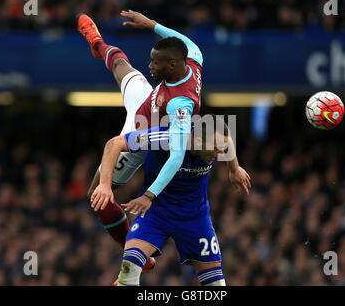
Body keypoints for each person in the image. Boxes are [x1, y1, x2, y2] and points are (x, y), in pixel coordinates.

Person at [77, 11, 250, 271]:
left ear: (171, 66)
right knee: (120, 65)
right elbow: (181, 40)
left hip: (147, 135)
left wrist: (147, 196)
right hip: (146, 102)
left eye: (155, 63)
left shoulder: (180, 105)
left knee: (95, 194)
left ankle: (137, 253)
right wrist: (151, 24)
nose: (150, 66)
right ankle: (97, 42)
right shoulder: (193, 56)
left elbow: (177, 156)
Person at [90, 114, 251, 286]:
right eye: (215, 149)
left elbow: (227, 141)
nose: (220, 154)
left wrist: (234, 168)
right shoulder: (164, 138)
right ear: (198, 142)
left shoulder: (211, 140)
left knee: (216, 285)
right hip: (156, 213)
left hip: (195, 217)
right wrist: (105, 185)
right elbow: (114, 144)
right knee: (129, 271)